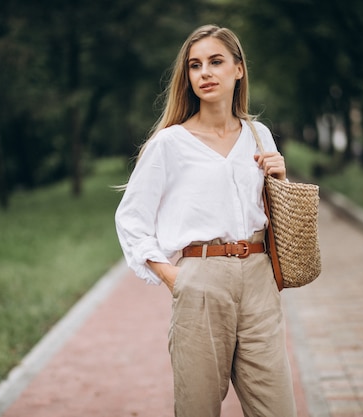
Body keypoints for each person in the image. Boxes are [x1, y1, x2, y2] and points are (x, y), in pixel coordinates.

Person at [115, 24, 297, 417]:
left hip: (259, 278)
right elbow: (131, 218)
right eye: (195, 66)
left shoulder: (259, 134)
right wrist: (173, 277)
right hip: (200, 279)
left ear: (238, 69)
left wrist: (279, 179)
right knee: (197, 409)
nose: (205, 73)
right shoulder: (169, 143)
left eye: (216, 62)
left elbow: (272, 214)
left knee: (277, 408)